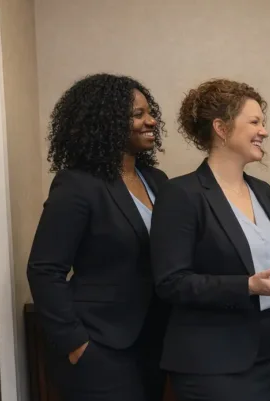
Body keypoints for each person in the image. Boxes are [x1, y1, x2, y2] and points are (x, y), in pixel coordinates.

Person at [150, 79, 270, 401]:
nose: (264, 131)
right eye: (254, 122)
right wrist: (246, 286)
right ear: (221, 128)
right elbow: (171, 282)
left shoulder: (263, 191)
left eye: (263, 122)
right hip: (213, 363)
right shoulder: (181, 194)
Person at [27, 73, 169, 401]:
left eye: (151, 113)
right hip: (100, 345)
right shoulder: (77, 185)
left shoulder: (158, 181)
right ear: (106, 121)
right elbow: (44, 269)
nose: (151, 121)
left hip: (154, 342)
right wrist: (75, 343)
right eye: (138, 115)